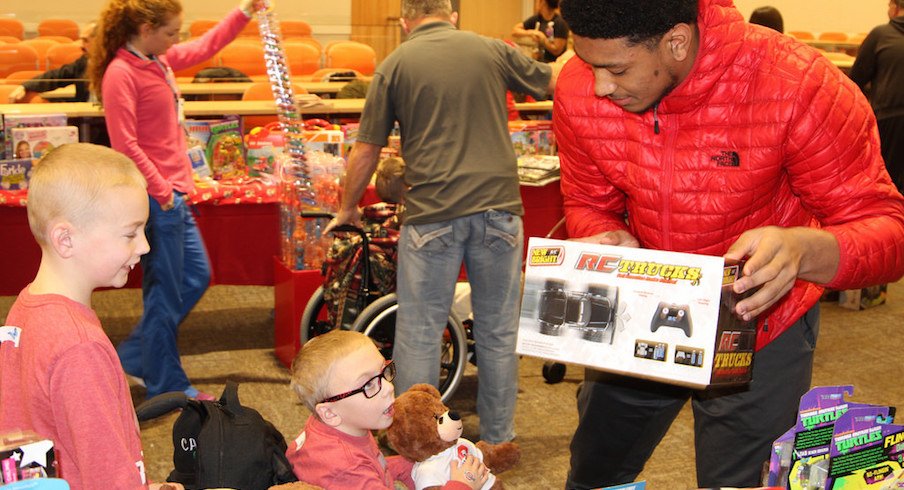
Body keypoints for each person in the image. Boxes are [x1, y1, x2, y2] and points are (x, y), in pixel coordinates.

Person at [554, 0, 904, 488]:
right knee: (594, 473)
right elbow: (588, 198)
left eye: (615, 69)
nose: (598, 86)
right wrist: (601, 234)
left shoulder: (797, 84)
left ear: (676, 41)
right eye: (588, 64)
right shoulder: (580, 84)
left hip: (761, 325)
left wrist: (803, 248)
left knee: (738, 482)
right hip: (639, 317)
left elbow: (887, 227)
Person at [330, 0, 557, 446]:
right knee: (497, 332)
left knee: (419, 335)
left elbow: (366, 149)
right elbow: (554, 79)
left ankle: (420, 446)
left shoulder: (394, 65)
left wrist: (347, 207)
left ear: (404, 21)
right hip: (498, 209)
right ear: (452, 15)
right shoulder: (492, 49)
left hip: (432, 213)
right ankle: (497, 443)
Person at [87, 0, 256, 401]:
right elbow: (125, 144)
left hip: (175, 195)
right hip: (158, 198)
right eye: (171, 32)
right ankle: (169, 384)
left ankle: (132, 356)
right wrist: (162, 191)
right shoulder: (121, 73)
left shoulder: (155, 59)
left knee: (195, 278)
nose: (177, 40)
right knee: (163, 294)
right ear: (146, 29)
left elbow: (204, 47)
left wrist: (245, 11)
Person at [0, 143, 179, 490]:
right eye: (130, 233)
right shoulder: (80, 346)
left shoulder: (25, 309)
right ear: (65, 239)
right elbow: (107, 474)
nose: (144, 246)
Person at [286, 329, 489, 489]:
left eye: (384, 372)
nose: (389, 388)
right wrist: (462, 484)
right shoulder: (346, 469)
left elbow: (373, 465)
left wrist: (413, 465)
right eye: (368, 385)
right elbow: (358, 470)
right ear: (330, 413)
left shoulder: (334, 426)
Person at [849, 0, 904, 194]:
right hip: (891, 116)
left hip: (888, 118)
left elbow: (856, 78)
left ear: (895, 7)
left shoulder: (881, 35)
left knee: (886, 182)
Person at [7, 23, 96, 104]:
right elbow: (56, 76)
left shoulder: (109, 67)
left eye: (85, 40)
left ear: (100, 40)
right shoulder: (85, 61)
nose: (80, 45)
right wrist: (25, 86)